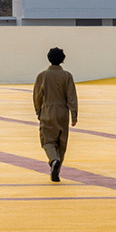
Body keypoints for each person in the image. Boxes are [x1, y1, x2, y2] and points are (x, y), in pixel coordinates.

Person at [32, 47, 78, 182]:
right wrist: (74, 115)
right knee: (61, 143)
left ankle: (54, 160)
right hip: (63, 112)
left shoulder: (42, 76)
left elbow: (37, 96)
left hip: (47, 111)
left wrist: (38, 111)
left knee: (47, 141)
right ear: (62, 60)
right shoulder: (67, 76)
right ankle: (57, 170)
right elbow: (71, 96)